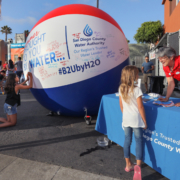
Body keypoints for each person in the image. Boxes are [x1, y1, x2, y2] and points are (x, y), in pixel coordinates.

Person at [119, 65, 147, 180]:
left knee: (127, 141)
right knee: (139, 141)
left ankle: (128, 164)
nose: (138, 75)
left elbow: (121, 106)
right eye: (136, 73)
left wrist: (125, 115)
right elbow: (140, 107)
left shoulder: (121, 88)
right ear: (132, 76)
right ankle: (138, 167)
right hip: (136, 120)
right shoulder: (137, 89)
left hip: (126, 119)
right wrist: (145, 121)